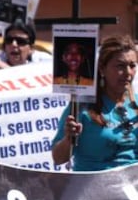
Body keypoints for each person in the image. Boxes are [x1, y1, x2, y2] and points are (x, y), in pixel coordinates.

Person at [52, 35, 138, 171]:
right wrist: (69, 138)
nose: (128, 72)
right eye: (120, 66)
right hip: (93, 188)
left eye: (132, 66)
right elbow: (58, 158)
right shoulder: (82, 107)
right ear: (102, 69)